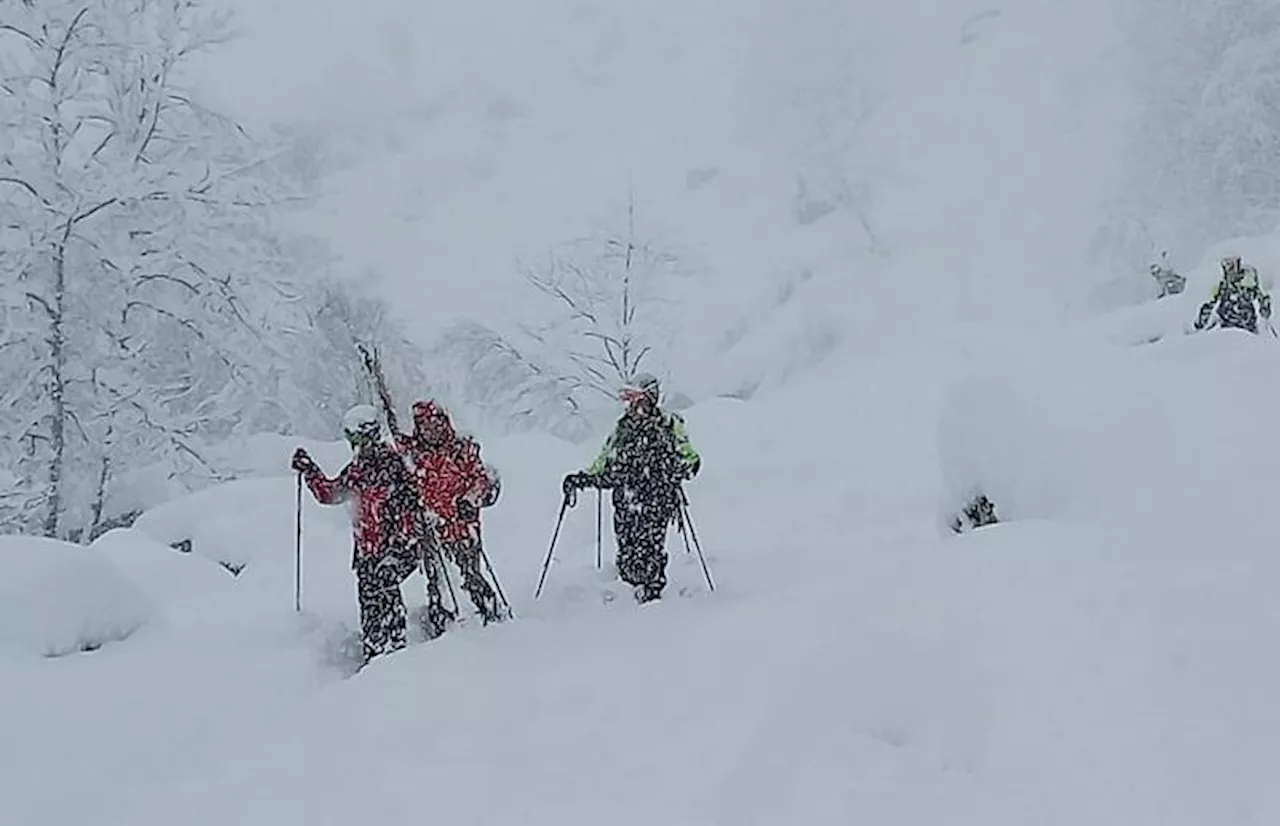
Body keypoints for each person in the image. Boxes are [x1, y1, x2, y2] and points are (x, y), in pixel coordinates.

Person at [291, 405, 427, 662]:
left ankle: (396, 652)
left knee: (387, 593)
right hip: (367, 553)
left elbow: (413, 507)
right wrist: (310, 471)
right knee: (369, 601)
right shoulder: (357, 470)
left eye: (363, 440)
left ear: (374, 436)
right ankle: (374, 652)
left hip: (395, 550)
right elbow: (330, 493)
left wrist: (402, 548)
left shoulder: (394, 465)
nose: (359, 447)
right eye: (353, 441)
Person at [562, 373, 701, 603]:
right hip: (626, 498)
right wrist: (581, 478)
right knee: (627, 545)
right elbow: (603, 461)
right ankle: (629, 591)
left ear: (650, 398)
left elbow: (690, 458)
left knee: (651, 545)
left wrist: (675, 470)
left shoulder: (669, 424)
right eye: (628, 399)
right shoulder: (622, 428)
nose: (631, 405)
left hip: (658, 498)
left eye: (636, 399)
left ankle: (652, 592)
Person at [395, 399, 504, 627]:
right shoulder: (412, 454)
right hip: (430, 531)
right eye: (424, 425)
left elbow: (480, 480)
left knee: (470, 575)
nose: (430, 430)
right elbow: (405, 489)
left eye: (435, 424)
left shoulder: (460, 450)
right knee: (437, 580)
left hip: (463, 529)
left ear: (444, 423)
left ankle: (490, 617)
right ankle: (443, 624)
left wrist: (469, 500)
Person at [1195, 253, 1272, 334]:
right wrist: (1201, 322)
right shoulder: (1221, 285)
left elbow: (1262, 296)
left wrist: (1265, 309)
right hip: (1227, 327)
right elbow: (1210, 302)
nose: (1228, 268)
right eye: (1225, 265)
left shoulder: (1248, 281)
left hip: (1247, 326)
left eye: (1231, 265)